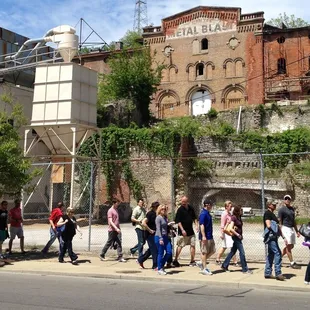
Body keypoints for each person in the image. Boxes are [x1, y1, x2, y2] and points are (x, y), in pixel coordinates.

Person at [221, 205, 252, 274]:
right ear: (238, 211)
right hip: (236, 237)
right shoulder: (234, 218)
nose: (242, 211)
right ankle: (245, 269)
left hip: (239, 237)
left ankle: (224, 265)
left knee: (232, 251)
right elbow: (231, 228)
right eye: (241, 210)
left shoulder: (239, 217)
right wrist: (238, 235)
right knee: (242, 252)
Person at [263, 201, 286, 281]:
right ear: (269, 205)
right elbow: (268, 225)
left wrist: (283, 237)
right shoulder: (267, 214)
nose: (275, 205)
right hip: (270, 237)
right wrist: (275, 228)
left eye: (275, 204)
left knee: (271, 254)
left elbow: (278, 227)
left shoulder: (272, 214)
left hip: (274, 237)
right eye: (273, 204)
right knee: (278, 253)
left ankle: (268, 273)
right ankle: (278, 273)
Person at [173, 196, 198, 267]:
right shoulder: (180, 210)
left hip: (190, 231)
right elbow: (178, 221)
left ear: (187, 201)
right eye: (182, 202)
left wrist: (196, 225)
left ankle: (192, 260)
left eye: (184, 202)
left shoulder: (191, 208)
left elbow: (194, 217)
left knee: (193, 245)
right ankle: (175, 260)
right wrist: (182, 230)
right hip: (183, 232)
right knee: (180, 245)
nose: (183, 203)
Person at [278, 194, 300, 268]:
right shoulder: (282, 209)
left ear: (290, 200)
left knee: (291, 246)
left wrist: (297, 231)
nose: (287, 200)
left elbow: (293, 221)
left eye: (288, 199)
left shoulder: (292, 209)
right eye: (286, 199)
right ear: (284, 200)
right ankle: (292, 263)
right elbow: (280, 221)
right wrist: (281, 231)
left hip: (291, 229)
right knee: (288, 246)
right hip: (285, 228)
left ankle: (278, 258)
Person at [138, 201, 159, 269]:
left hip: (155, 234)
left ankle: (140, 260)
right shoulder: (150, 214)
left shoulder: (157, 214)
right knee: (154, 250)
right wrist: (150, 230)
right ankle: (155, 265)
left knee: (151, 249)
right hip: (149, 235)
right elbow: (143, 222)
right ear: (155, 207)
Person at [216, 200, 238, 266]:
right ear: (226, 207)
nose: (231, 207)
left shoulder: (229, 214)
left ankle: (217, 259)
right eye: (230, 206)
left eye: (231, 206)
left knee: (224, 246)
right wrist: (222, 233)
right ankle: (235, 261)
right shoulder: (224, 214)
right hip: (226, 232)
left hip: (229, 231)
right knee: (232, 246)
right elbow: (222, 224)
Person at [198, 199, 216, 275]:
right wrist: (203, 236)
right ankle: (204, 268)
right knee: (204, 252)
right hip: (205, 236)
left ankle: (201, 262)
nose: (211, 206)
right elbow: (201, 225)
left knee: (213, 250)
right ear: (207, 205)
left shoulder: (208, 213)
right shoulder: (203, 214)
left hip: (210, 235)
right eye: (211, 205)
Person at [155, 204, 172, 275]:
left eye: (165, 209)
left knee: (169, 252)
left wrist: (169, 224)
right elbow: (158, 229)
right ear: (159, 210)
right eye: (162, 209)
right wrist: (160, 238)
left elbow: (165, 226)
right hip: (159, 237)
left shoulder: (164, 217)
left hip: (165, 237)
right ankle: (159, 268)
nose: (164, 210)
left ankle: (161, 264)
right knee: (160, 253)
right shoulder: (158, 218)